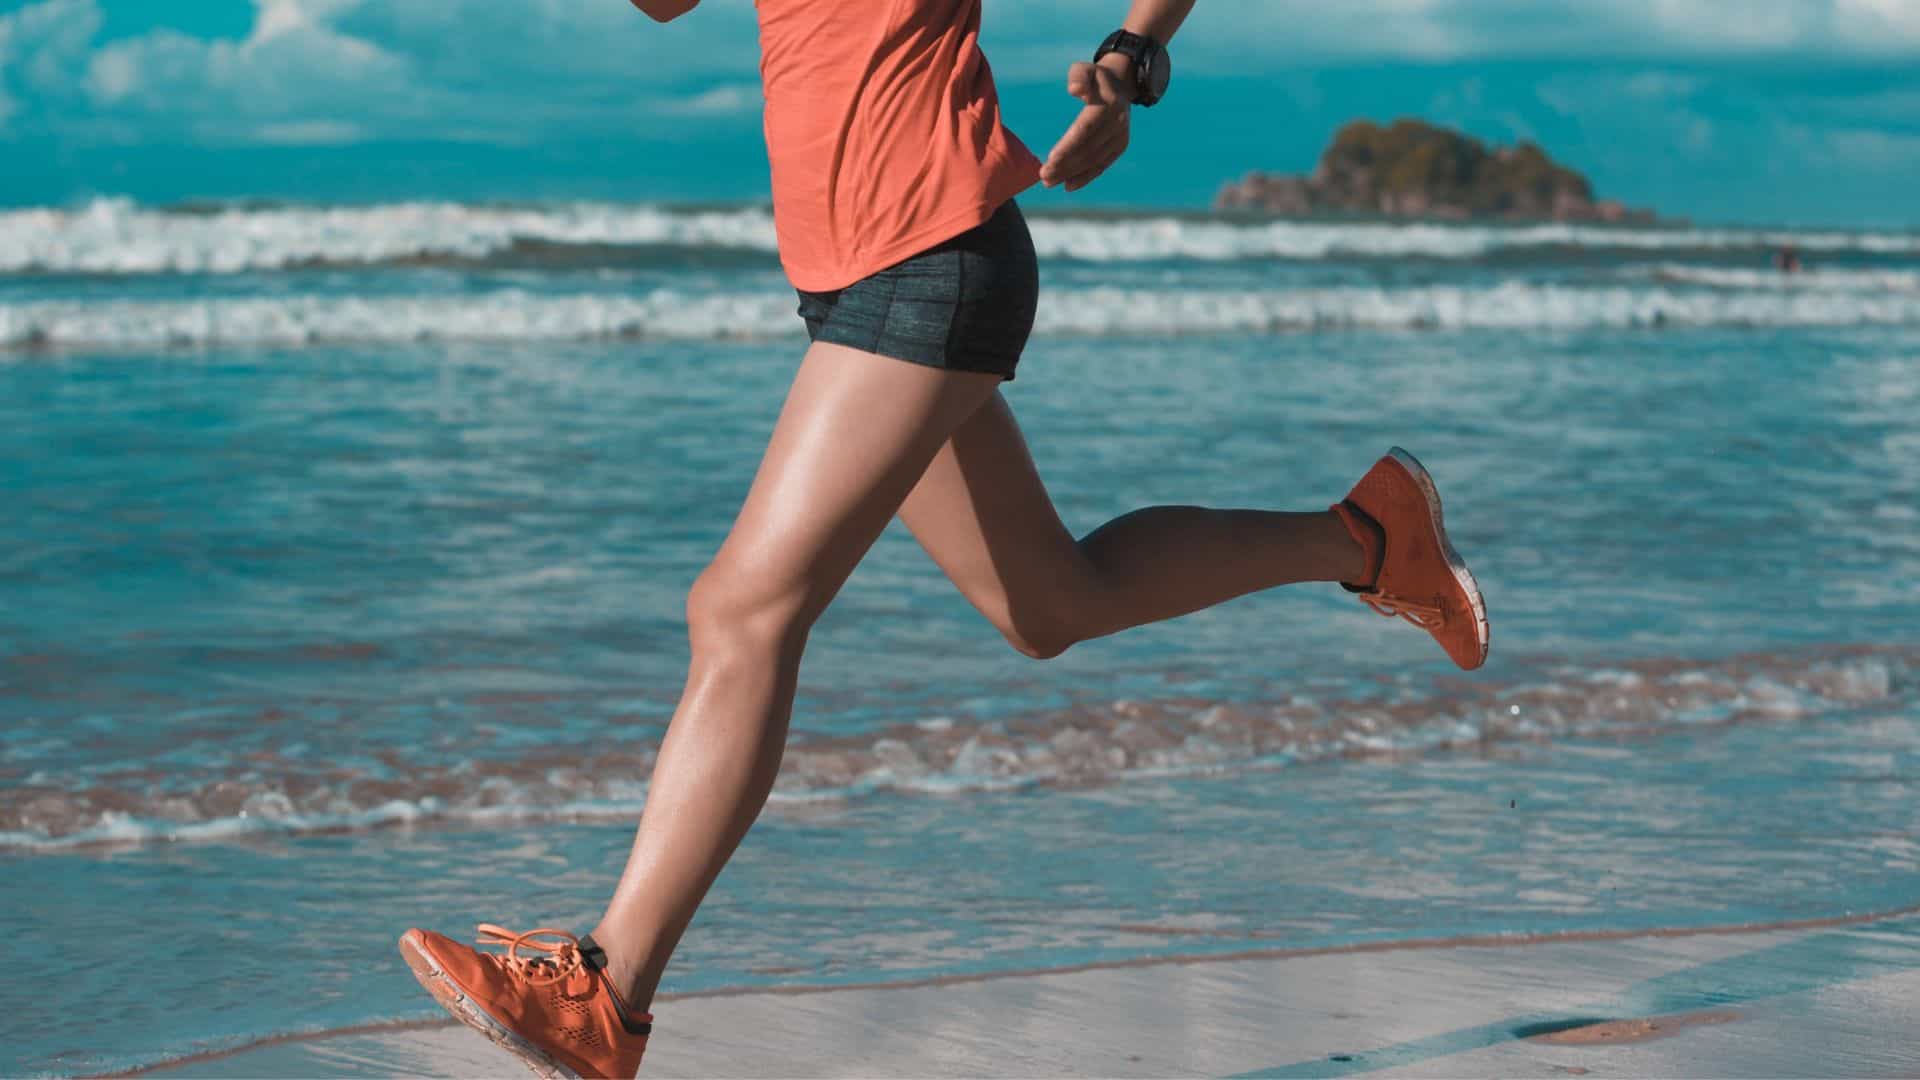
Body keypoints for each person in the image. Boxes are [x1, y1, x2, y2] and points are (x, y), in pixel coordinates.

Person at [398, 1, 1489, 1076]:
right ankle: (1367, 538)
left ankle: (609, 992)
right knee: (1052, 605)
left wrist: (1132, 55)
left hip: (929, 257)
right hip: (851, 278)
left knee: (741, 608)